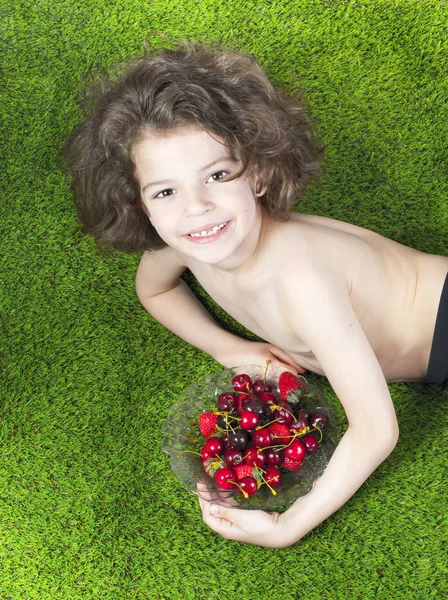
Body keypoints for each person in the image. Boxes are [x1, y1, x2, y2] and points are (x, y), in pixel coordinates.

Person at [65, 41, 448, 548]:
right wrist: (229, 347)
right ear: (142, 208)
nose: (197, 207)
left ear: (260, 172)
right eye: (166, 191)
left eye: (218, 175)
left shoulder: (301, 282)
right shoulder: (183, 245)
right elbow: (153, 290)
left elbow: (376, 429)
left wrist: (287, 526)